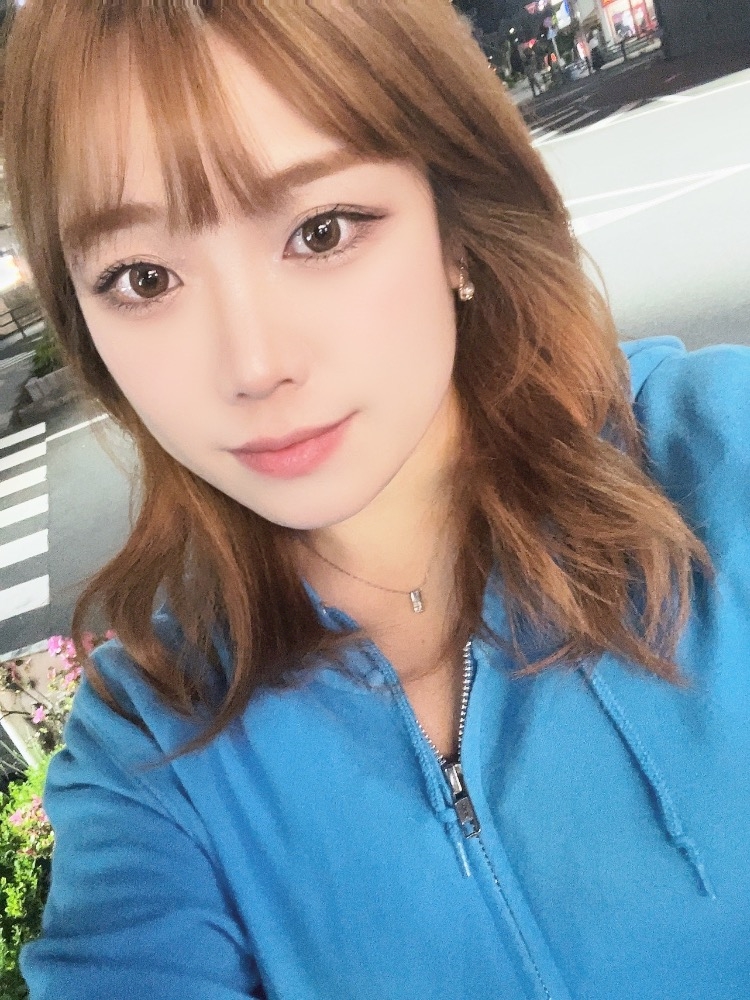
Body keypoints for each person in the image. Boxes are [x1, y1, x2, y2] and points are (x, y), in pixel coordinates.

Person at [3, 2, 750, 998]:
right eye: (143, 277)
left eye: (321, 231)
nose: (253, 364)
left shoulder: (719, 457)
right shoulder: (151, 742)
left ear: (456, 226)